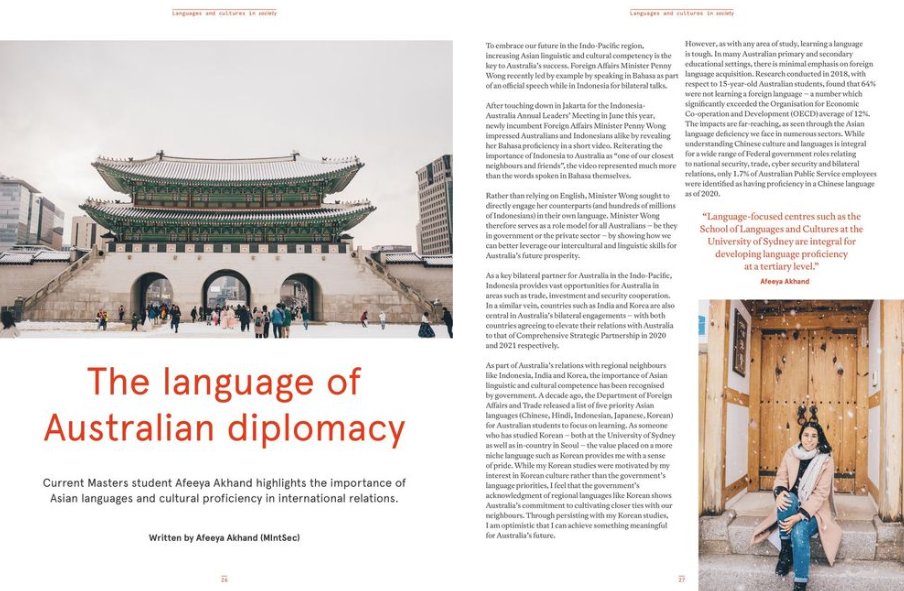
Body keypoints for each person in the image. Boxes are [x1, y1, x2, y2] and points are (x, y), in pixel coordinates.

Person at [750, 421, 840, 591]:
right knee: (787, 499)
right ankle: (786, 552)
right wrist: (779, 493)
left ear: (819, 438)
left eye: (814, 436)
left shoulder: (825, 460)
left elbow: (820, 495)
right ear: (801, 437)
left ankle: (800, 583)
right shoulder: (791, 453)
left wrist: (800, 516)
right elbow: (781, 477)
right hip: (792, 505)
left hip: (814, 512)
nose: (809, 440)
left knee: (799, 530)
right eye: (806, 435)